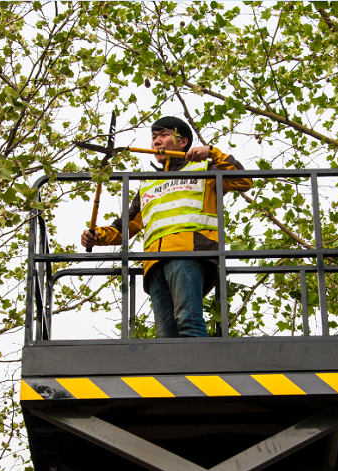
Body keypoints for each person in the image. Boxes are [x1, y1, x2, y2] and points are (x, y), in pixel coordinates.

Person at [80, 117, 251, 338]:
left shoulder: (205, 170)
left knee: (189, 322)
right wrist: (97, 236)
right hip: (154, 265)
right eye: (153, 137)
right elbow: (125, 227)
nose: (156, 142)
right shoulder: (149, 183)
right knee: (165, 337)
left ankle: (203, 372)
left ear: (183, 142)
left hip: (189, 255)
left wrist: (212, 152)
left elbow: (244, 180)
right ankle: (177, 374)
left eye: (163, 135)